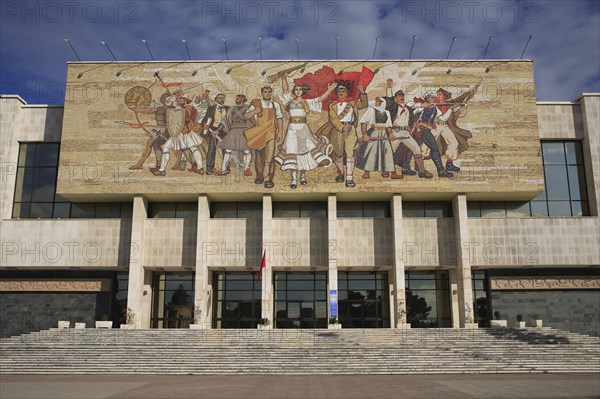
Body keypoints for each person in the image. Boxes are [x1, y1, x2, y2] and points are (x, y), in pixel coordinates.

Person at [275, 76, 335, 188]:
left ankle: (302, 177)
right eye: (296, 89)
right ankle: (293, 180)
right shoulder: (289, 101)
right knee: (292, 151)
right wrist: (283, 78)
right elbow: (285, 89)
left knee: (305, 152)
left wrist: (330, 90)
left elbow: (320, 99)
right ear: (294, 91)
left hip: (303, 129)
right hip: (292, 129)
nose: (298, 91)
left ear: (303, 91)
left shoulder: (307, 102)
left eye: (300, 89)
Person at [383, 79, 432, 179]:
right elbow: (389, 98)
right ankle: (385, 171)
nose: (401, 97)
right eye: (399, 96)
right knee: (390, 151)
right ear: (396, 98)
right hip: (395, 132)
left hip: (405, 133)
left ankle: (422, 171)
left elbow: (416, 106)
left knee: (417, 149)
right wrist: (389, 87)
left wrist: (423, 106)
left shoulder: (408, 108)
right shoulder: (393, 107)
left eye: (402, 96)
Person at [328, 84, 368, 188]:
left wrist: (362, 92)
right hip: (338, 130)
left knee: (350, 153)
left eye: (343, 91)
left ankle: (349, 178)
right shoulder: (332, 105)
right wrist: (341, 127)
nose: (341, 93)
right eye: (339, 91)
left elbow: (364, 104)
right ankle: (341, 173)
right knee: (338, 153)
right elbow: (333, 119)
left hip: (351, 129)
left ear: (346, 93)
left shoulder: (352, 103)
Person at [244, 87, 284, 189]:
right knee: (259, 156)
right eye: (265, 92)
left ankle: (268, 179)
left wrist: (280, 132)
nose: (267, 94)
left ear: (271, 93)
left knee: (270, 156)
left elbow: (279, 119)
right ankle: (260, 176)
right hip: (259, 132)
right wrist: (255, 111)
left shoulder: (276, 105)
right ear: (262, 93)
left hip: (271, 132)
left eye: (269, 92)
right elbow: (246, 116)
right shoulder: (257, 104)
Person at [409, 93, 453, 178]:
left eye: (434, 97)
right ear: (427, 98)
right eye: (431, 97)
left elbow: (443, 119)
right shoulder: (422, 106)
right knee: (433, 148)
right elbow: (410, 105)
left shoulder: (435, 108)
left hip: (426, 130)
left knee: (417, 149)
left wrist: (450, 109)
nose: (433, 99)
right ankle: (440, 171)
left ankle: (421, 169)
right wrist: (422, 105)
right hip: (419, 130)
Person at [355, 97, 395, 178]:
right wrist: (365, 134)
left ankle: (385, 170)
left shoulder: (387, 112)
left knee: (386, 151)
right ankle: (367, 171)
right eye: (376, 101)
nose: (377, 103)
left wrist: (390, 134)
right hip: (374, 133)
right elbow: (363, 122)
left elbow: (389, 125)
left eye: (379, 101)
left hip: (384, 134)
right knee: (371, 151)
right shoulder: (371, 110)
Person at [215, 94, 254, 176]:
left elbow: (254, 120)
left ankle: (247, 169)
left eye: (238, 98)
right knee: (228, 150)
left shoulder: (249, 108)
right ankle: (223, 169)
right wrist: (218, 130)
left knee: (246, 150)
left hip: (245, 131)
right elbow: (224, 120)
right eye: (236, 98)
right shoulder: (232, 108)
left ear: (243, 99)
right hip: (233, 131)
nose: (236, 99)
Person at [199, 93, 229, 175]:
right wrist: (205, 125)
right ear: (216, 99)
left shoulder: (228, 108)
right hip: (213, 131)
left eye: (223, 98)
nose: (221, 99)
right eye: (219, 98)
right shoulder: (211, 108)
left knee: (226, 150)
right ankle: (209, 168)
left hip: (225, 131)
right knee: (212, 149)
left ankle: (226, 168)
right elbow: (204, 120)